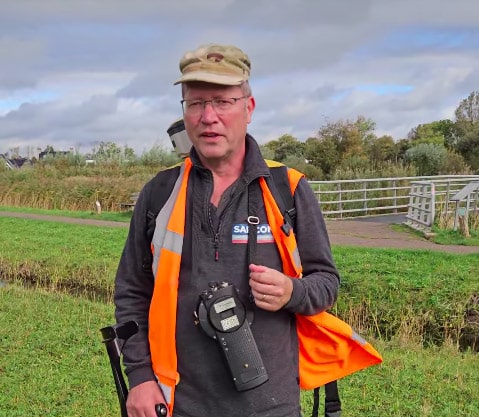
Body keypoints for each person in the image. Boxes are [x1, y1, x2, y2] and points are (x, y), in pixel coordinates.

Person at [114, 43, 341, 417]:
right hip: (177, 401)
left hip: (272, 405)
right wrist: (140, 376)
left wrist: (292, 291)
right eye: (196, 103)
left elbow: (327, 282)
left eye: (222, 101)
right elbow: (132, 292)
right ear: (184, 112)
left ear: (248, 108)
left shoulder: (289, 189)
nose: (208, 117)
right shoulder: (160, 193)